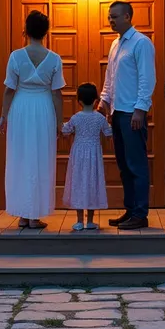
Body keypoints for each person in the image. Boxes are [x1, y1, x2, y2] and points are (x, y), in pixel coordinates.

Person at [0, 10, 64, 229]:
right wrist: (59, 121)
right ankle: (34, 215)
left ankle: (23, 214)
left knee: (20, 157)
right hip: (44, 108)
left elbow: (9, 90)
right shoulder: (54, 59)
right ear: (46, 32)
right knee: (41, 158)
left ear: (25, 30)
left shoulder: (16, 56)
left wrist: (3, 116)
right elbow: (56, 93)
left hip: (21, 107)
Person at [98, 0, 156, 230]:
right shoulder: (115, 44)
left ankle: (141, 214)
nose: (111, 20)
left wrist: (140, 109)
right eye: (109, 17)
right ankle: (130, 210)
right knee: (123, 164)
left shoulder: (141, 43)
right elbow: (110, 76)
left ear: (128, 17)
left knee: (136, 164)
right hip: (117, 112)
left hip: (133, 113)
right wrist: (104, 101)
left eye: (115, 16)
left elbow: (147, 78)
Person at [61, 82, 112, 231]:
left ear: (79, 101)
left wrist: (58, 124)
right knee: (92, 183)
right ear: (96, 100)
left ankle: (78, 221)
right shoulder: (100, 118)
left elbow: (66, 131)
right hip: (94, 155)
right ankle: (90, 221)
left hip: (78, 155)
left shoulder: (76, 117)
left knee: (78, 183)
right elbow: (108, 133)